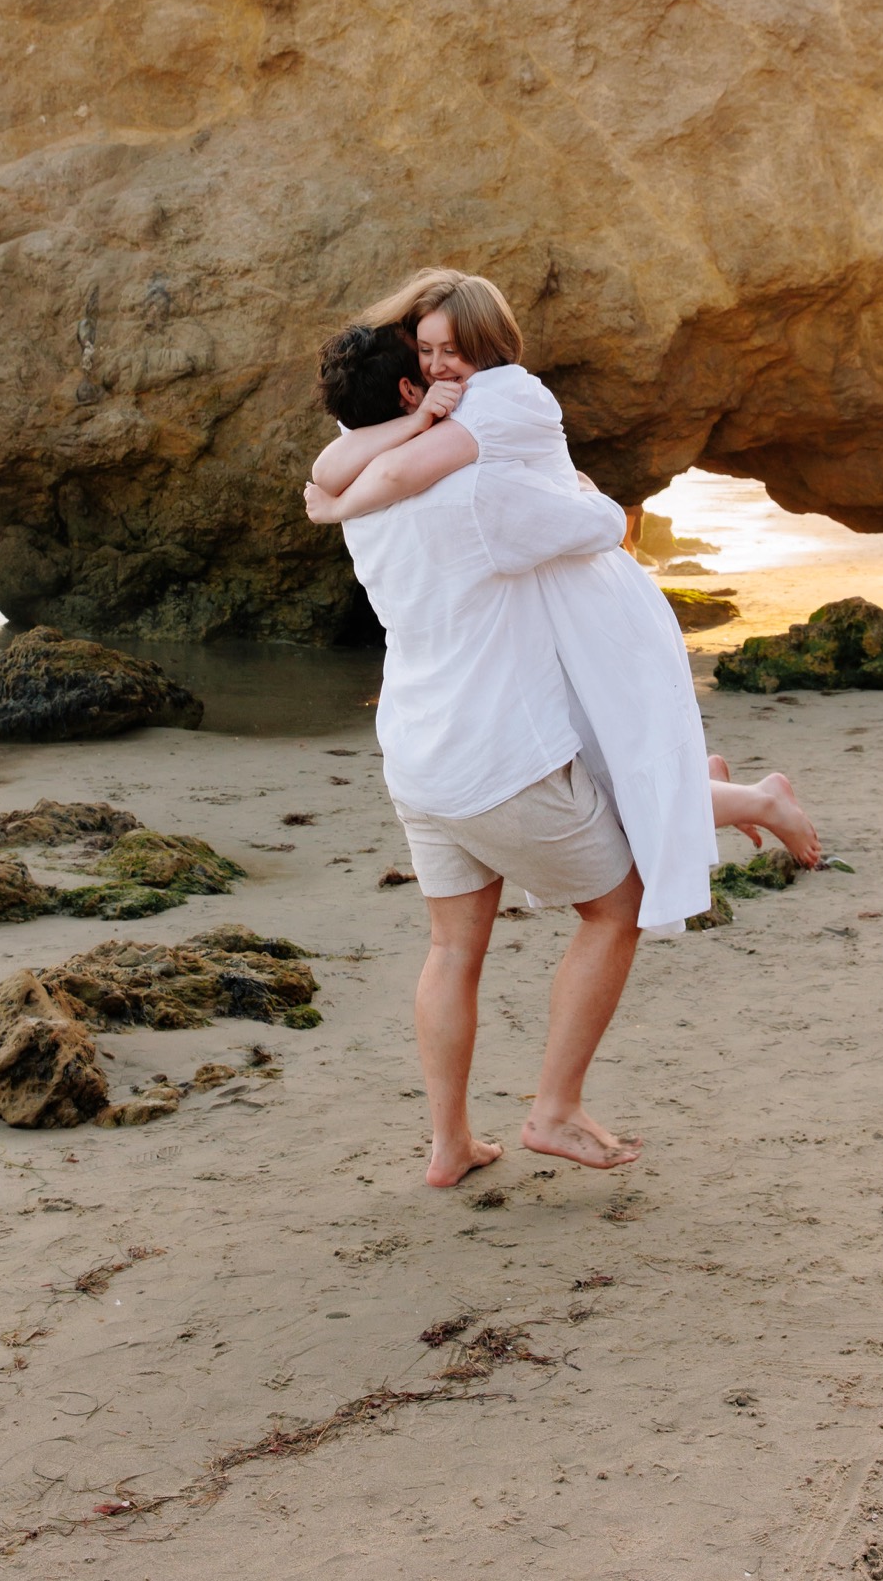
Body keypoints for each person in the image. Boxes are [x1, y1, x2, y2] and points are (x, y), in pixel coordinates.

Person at [307, 271, 822, 918]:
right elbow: (351, 462)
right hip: (543, 606)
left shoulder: (499, 399)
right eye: (426, 351)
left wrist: (334, 509)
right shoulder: (439, 414)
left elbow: (391, 473)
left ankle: (755, 798)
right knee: (617, 782)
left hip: (581, 605)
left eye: (451, 350)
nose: (439, 366)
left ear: (489, 346)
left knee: (618, 786)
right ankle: (743, 792)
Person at [305, 322, 650, 1185]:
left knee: (452, 947)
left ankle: (449, 1143)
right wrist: (567, 476)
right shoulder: (479, 495)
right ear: (409, 395)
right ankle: (556, 1110)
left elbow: (334, 469)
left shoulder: (367, 506)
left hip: (416, 750)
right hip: (499, 752)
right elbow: (606, 524)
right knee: (618, 905)